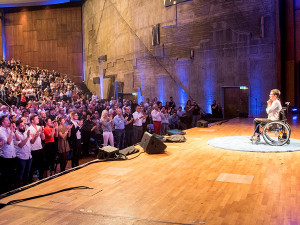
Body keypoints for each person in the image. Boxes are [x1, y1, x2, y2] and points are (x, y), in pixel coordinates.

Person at [15, 119, 32, 187]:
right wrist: (27, 137)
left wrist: (36, 135)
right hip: (21, 157)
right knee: (20, 174)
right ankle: (18, 188)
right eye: (22, 126)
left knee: (27, 173)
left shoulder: (25, 132)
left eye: (24, 125)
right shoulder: (15, 134)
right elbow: (20, 145)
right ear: (18, 126)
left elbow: (32, 142)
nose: (23, 127)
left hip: (28, 156)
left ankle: (26, 187)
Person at [28, 115, 45, 182]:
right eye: (36, 118)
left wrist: (42, 132)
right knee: (33, 166)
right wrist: (37, 133)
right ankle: (30, 180)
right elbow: (32, 141)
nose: (38, 119)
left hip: (40, 148)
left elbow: (43, 138)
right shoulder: (30, 129)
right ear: (32, 120)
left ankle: (41, 178)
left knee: (42, 164)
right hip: (33, 149)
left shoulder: (39, 127)